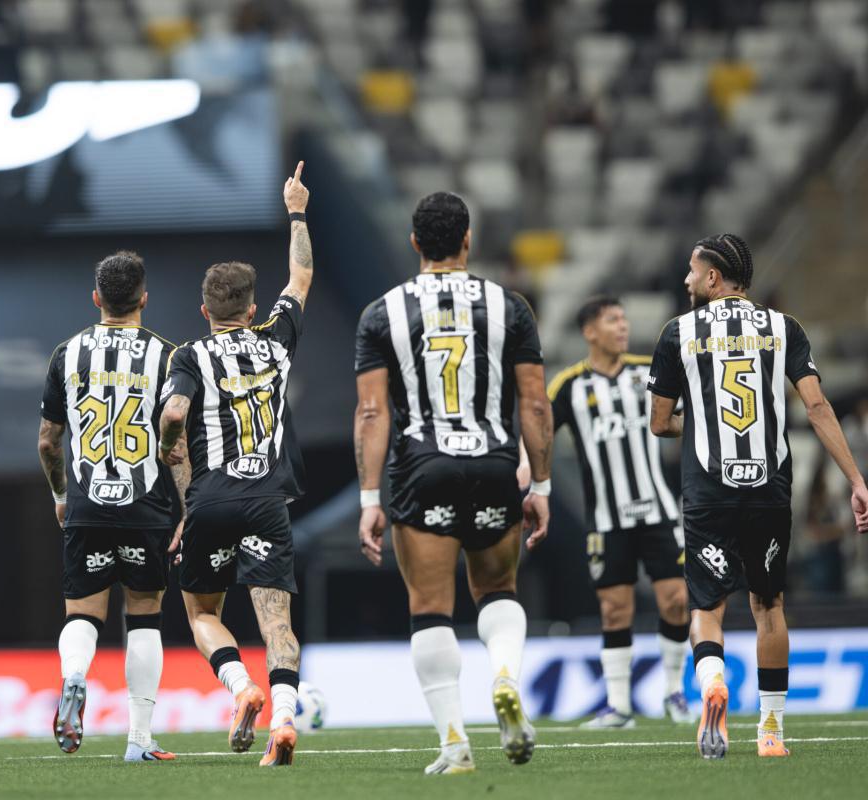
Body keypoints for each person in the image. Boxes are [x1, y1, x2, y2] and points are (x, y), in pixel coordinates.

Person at [648, 233, 868, 759]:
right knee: (769, 606)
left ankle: (713, 684)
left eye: (692, 271)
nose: (686, 280)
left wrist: (702, 422)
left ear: (713, 278)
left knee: (707, 606)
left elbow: (659, 422)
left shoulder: (678, 331)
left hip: (708, 490)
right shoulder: (783, 327)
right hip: (768, 489)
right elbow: (817, 408)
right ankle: (770, 732)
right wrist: (858, 481)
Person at [353, 191, 551, 775]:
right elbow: (535, 404)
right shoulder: (509, 306)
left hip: (424, 468)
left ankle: (455, 744)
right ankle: (506, 678)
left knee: (430, 608)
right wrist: (541, 486)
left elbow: (371, 412)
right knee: (498, 591)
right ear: (468, 240)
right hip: (493, 465)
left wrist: (370, 499)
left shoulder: (381, 313)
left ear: (415, 242)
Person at [157, 162, 312, 767]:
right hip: (267, 500)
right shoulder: (276, 341)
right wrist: (295, 209)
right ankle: (285, 718)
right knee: (277, 622)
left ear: (205, 311)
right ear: (251, 309)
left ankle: (240, 687)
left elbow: (174, 413)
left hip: (212, 500)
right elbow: (301, 275)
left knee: (202, 611)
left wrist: (170, 443)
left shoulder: (189, 355)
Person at [38, 250, 184, 763]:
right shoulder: (168, 356)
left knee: (83, 612)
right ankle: (139, 739)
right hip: (147, 504)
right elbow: (177, 440)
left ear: (96, 297)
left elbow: (48, 441)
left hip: (87, 503)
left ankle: (74, 676)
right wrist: (187, 507)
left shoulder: (67, 353)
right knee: (144, 616)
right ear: (144, 298)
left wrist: (61, 496)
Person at [547, 296, 693, 728]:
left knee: (676, 600)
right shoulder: (569, 385)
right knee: (614, 609)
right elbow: (539, 434)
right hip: (607, 518)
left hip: (658, 509)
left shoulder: (649, 372)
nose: (623, 326)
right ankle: (619, 706)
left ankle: (674, 692)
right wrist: (527, 473)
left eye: (624, 319)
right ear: (589, 331)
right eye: (612, 320)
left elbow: (688, 417)